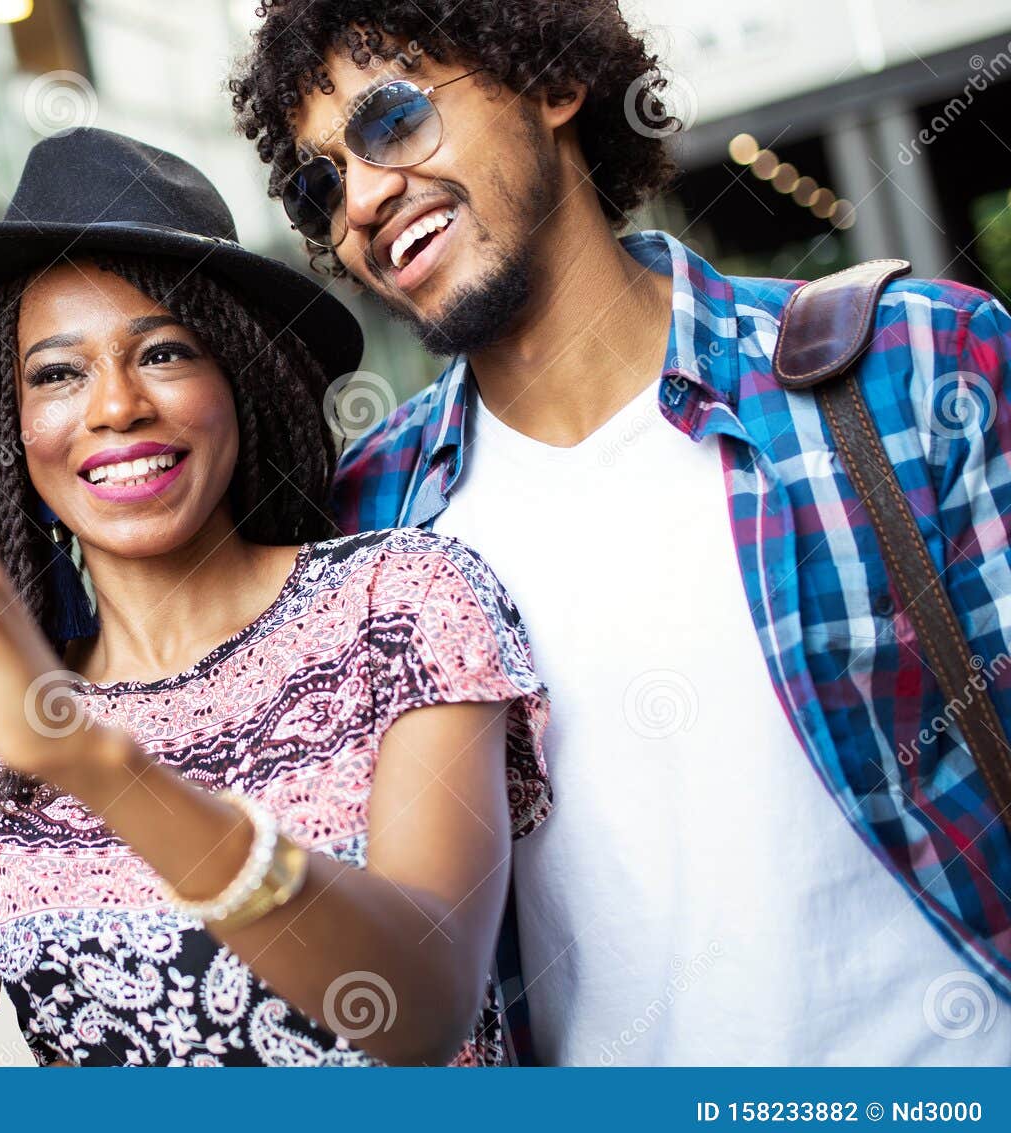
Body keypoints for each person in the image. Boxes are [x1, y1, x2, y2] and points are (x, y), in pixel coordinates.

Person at [0, 128, 551, 1067]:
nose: (115, 405)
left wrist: (85, 755)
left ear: (238, 380)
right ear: (13, 429)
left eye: (162, 354)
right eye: (57, 372)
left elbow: (421, 1004)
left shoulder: (398, 604)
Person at [230, 0, 1011, 1064]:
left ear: (552, 82)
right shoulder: (366, 526)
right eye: (321, 184)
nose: (361, 199)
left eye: (392, 122)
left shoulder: (912, 368)